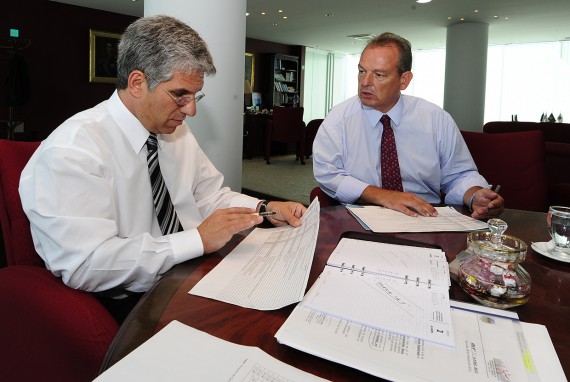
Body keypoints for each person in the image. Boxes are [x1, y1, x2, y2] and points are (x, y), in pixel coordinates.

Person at [19, 15, 306, 323]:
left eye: (196, 96)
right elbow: (88, 264)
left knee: (282, 307)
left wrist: (264, 208)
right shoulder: (74, 150)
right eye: (180, 95)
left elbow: (208, 196)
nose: (191, 110)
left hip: (190, 271)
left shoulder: (175, 132)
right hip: (126, 299)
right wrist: (197, 240)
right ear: (138, 83)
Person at [313, 32, 504, 219]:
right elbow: (327, 174)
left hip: (425, 216)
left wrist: (474, 194)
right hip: (362, 215)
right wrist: (383, 196)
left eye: (379, 75)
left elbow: (459, 174)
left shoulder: (435, 119)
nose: (365, 82)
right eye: (362, 71)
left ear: (404, 80)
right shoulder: (339, 118)